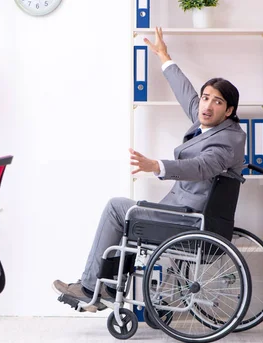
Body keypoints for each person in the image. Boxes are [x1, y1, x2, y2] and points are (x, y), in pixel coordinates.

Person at [53, 26, 246, 312]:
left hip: (189, 220)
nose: (206, 104)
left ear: (229, 110)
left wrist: (157, 165)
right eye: (206, 97)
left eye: (217, 101)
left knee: (117, 207)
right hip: (182, 213)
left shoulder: (228, 139)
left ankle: (93, 287)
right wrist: (165, 57)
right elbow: (187, 95)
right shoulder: (209, 124)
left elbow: (203, 167)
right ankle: (103, 287)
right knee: (126, 216)